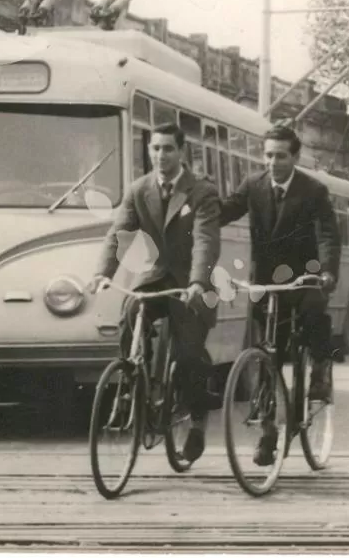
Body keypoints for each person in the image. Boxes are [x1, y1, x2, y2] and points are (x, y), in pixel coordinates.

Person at [86, 123, 222, 463]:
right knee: (132, 315)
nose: (161, 156)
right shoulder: (138, 189)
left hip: (192, 281)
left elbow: (206, 241)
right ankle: (136, 382)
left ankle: (197, 423)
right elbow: (118, 234)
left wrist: (196, 283)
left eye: (168, 149)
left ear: (182, 152)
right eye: (156, 149)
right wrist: (102, 274)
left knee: (189, 355)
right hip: (155, 278)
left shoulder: (202, 191)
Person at [219, 124, 341, 466]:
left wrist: (327, 271)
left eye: (281, 156)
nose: (274, 162)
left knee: (316, 312)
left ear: (295, 156)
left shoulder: (313, 190)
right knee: (265, 355)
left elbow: (329, 234)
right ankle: (268, 435)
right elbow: (224, 211)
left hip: (305, 276)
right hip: (266, 280)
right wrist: (197, 208)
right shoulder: (252, 186)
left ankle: (320, 370)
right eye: (269, 155)